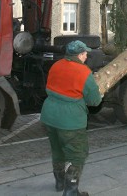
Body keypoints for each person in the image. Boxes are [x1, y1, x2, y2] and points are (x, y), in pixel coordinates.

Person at [41, 40, 102, 196]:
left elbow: (51, 87)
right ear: (80, 55)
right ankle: (71, 191)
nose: (87, 56)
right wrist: (98, 92)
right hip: (70, 121)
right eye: (85, 53)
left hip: (49, 116)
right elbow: (94, 101)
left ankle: (60, 182)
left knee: (57, 150)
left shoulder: (56, 65)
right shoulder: (83, 72)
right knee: (77, 154)